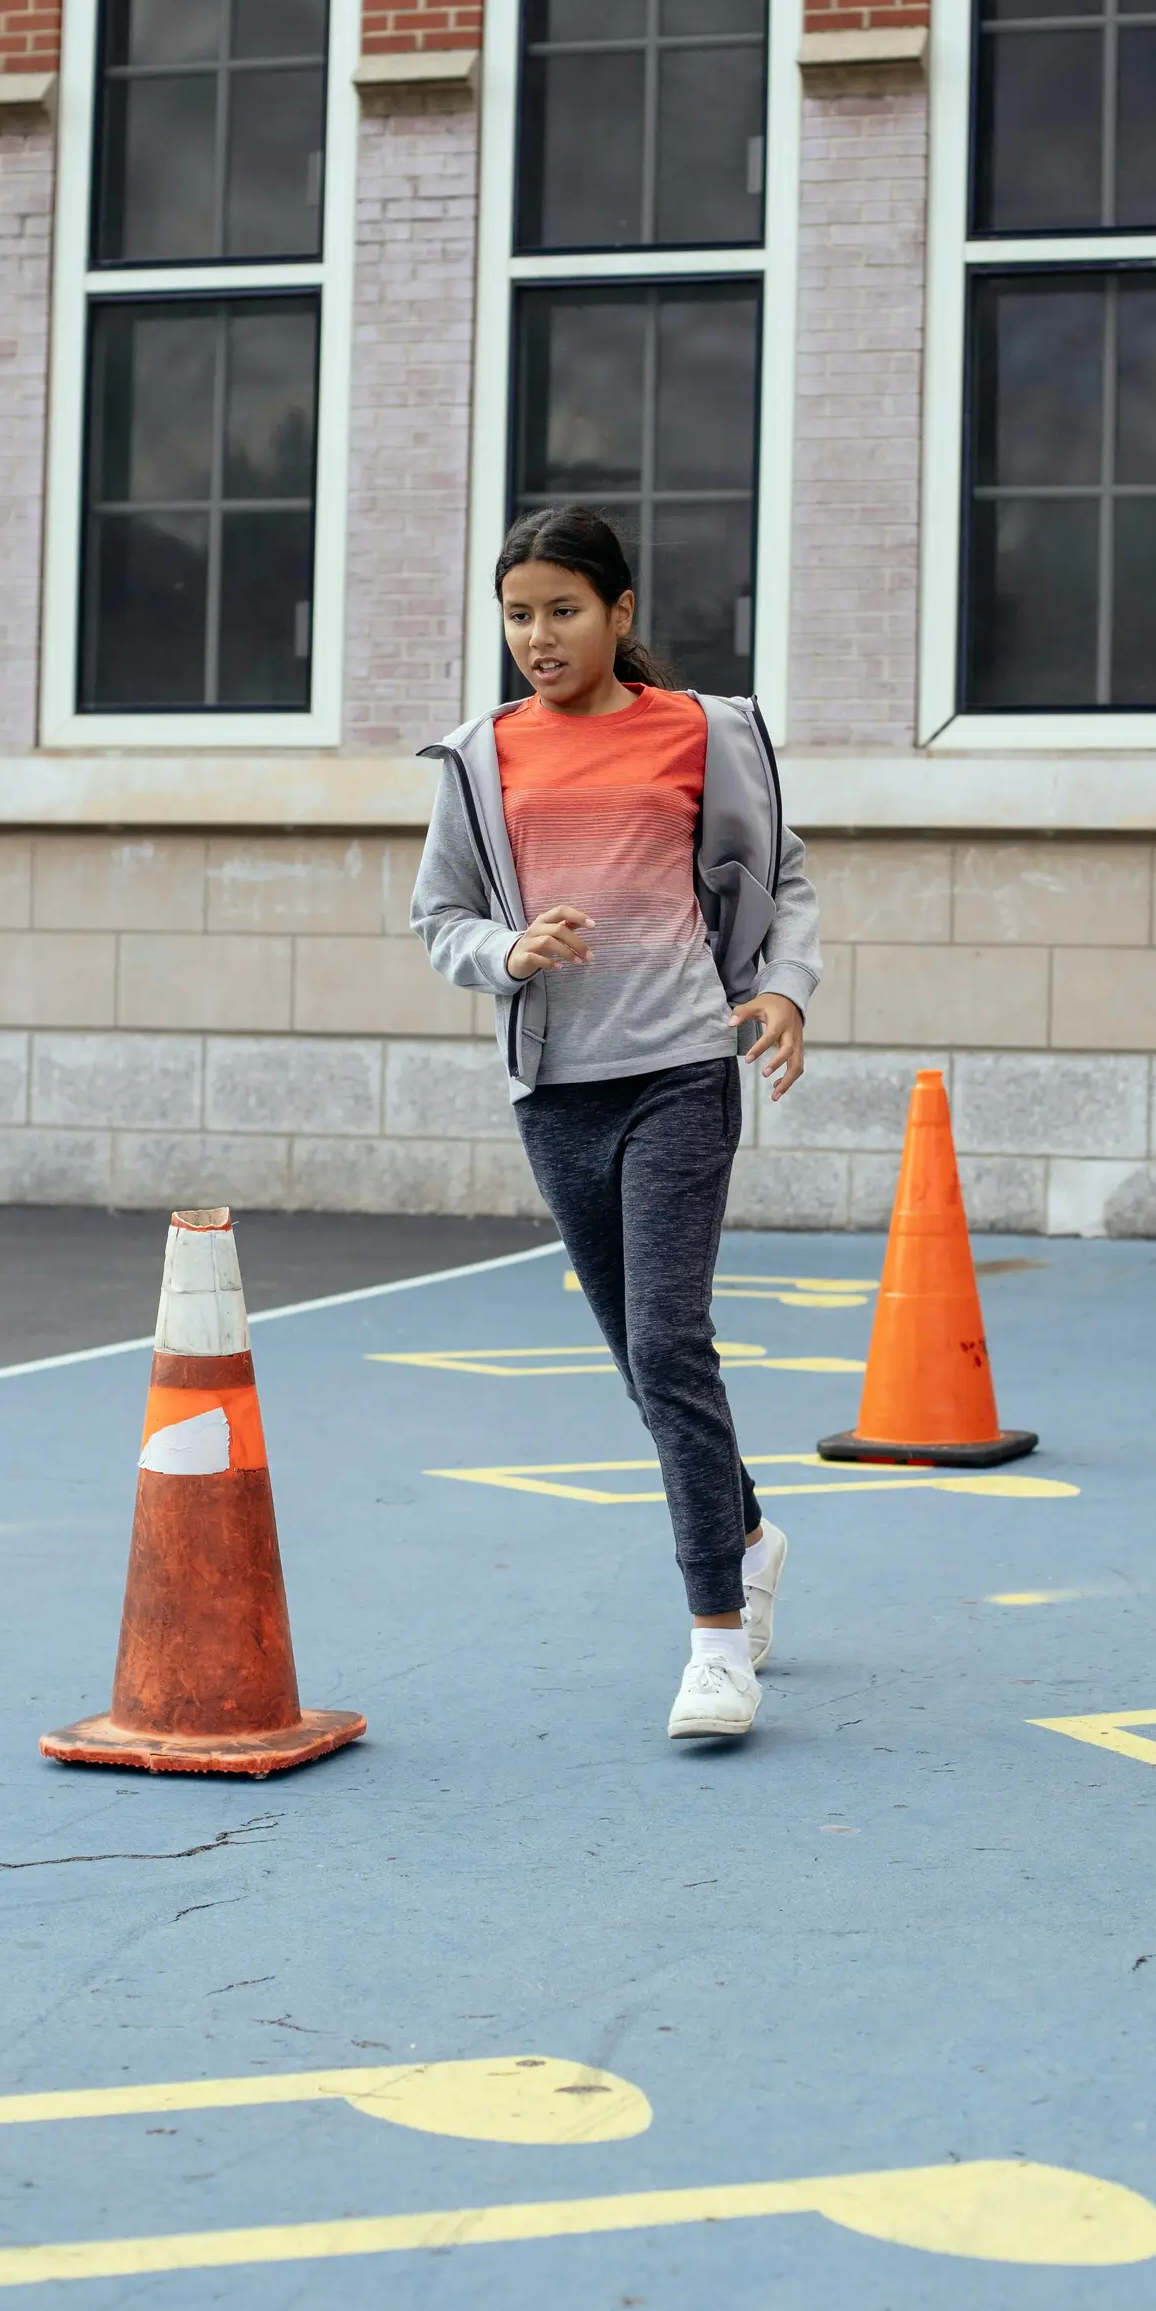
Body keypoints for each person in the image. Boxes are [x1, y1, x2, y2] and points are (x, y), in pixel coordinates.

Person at [411, 506, 822, 1743]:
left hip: (682, 1070)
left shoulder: (704, 732)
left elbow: (782, 876)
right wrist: (506, 950)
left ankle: (715, 1642)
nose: (538, 637)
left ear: (618, 611)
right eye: (517, 615)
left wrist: (784, 989)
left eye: (563, 610)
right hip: (556, 1093)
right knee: (640, 1363)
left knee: (669, 1343)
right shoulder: (481, 757)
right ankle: (748, 1536)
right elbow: (439, 918)